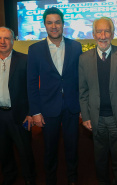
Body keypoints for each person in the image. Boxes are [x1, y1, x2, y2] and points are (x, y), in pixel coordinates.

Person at [27, 7, 82, 185]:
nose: (54, 26)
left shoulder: (76, 46)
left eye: (57, 22)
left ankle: (72, 179)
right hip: (48, 108)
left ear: (63, 24)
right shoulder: (35, 50)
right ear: (44, 25)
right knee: (50, 149)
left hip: (72, 108)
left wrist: (82, 107)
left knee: (72, 148)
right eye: (49, 22)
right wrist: (35, 111)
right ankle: (51, 180)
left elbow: (80, 79)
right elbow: (32, 82)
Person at [79, 17, 117, 185]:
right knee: (100, 160)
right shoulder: (84, 58)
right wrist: (86, 116)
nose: (103, 35)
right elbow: (82, 91)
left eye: (107, 31)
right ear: (93, 34)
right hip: (96, 119)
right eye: (99, 31)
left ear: (112, 34)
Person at [0, 27, 35, 185]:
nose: (2, 42)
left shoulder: (25, 60)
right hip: (0, 115)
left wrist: (30, 112)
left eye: (7, 38)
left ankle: (29, 178)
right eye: (0, 38)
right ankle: (9, 177)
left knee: (25, 150)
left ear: (13, 41)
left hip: (20, 114)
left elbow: (32, 88)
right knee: (3, 150)